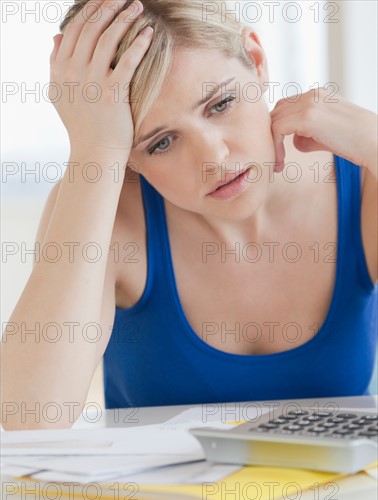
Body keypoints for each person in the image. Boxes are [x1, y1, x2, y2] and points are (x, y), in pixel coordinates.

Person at [1, 0, 377, 429]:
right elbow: (29, 420)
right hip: (157, 499)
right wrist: (94, 151)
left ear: (255, 62)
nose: (213, 158)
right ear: (128, 157)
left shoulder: (361, 180)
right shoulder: (110, 213)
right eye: (160, 142)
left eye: (220, 104)